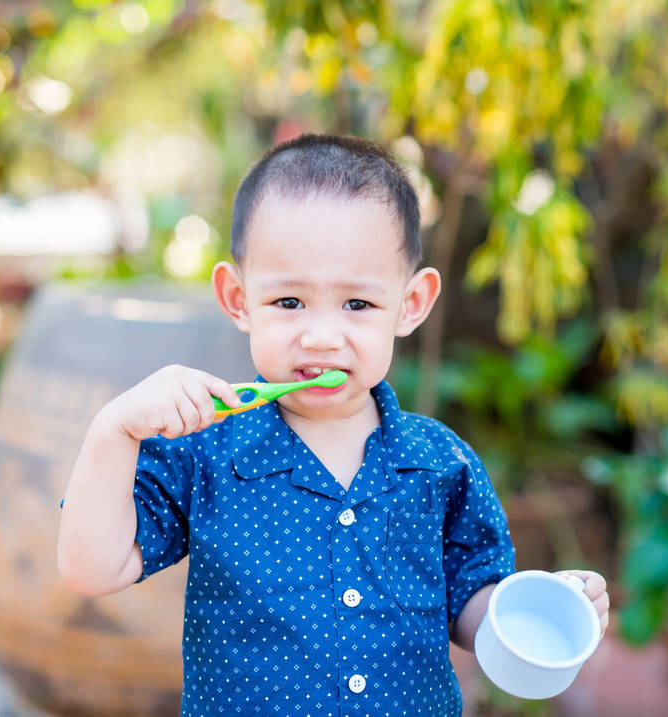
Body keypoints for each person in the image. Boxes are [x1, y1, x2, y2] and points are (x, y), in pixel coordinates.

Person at [58, 134, 610, 715]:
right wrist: (113, 432)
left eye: (358, 305)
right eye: (289, 302)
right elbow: (93, 569)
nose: (322, 336)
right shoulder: (203, 452)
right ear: (238, 298)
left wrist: (537, 614)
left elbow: (472, 603)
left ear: (411, 303)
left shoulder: (439, 462)